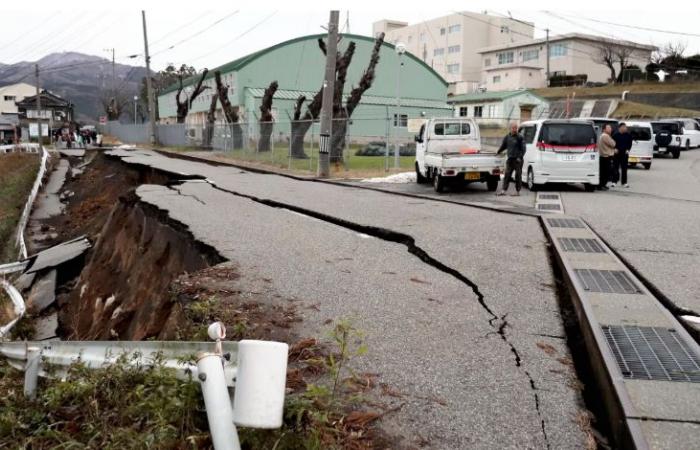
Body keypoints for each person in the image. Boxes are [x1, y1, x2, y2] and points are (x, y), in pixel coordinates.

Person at [496, 123, 526, 196]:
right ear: (510, 128)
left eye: (516, 128)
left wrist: (519, 157)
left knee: (518, 175)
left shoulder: (520, 137)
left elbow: (523, 149)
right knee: (507, 175)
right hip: (510, 159)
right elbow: (503, 146)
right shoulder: (507, 137)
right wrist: (498, 152)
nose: (514, 129)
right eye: (513, 128)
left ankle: (517, 191)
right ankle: (503, 190)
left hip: (518, 160)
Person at [612, 122, 633, 188]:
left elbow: (630, 144)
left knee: (624, 168)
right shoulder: (615, 135)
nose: (625, 128)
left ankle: (624, 182)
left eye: (625, 127)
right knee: (615, 168)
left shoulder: (628, 135)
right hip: (616, 154)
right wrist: (614, 149)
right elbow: (612, 143)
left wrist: (628, 149)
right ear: (620, 128)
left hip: (624, 154)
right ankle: (614, 182)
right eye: (623, 127)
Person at [597, 123, 616, 190]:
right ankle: (601, 185)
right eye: (609, 128)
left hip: (603, 156)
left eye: (610, 128)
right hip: (606, 156)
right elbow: (613, 144)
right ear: (604, 129)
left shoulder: (603, 135)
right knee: (605, 172)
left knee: (604, 172)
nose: (611, 129)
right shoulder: (605, 136)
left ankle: (602, 185)